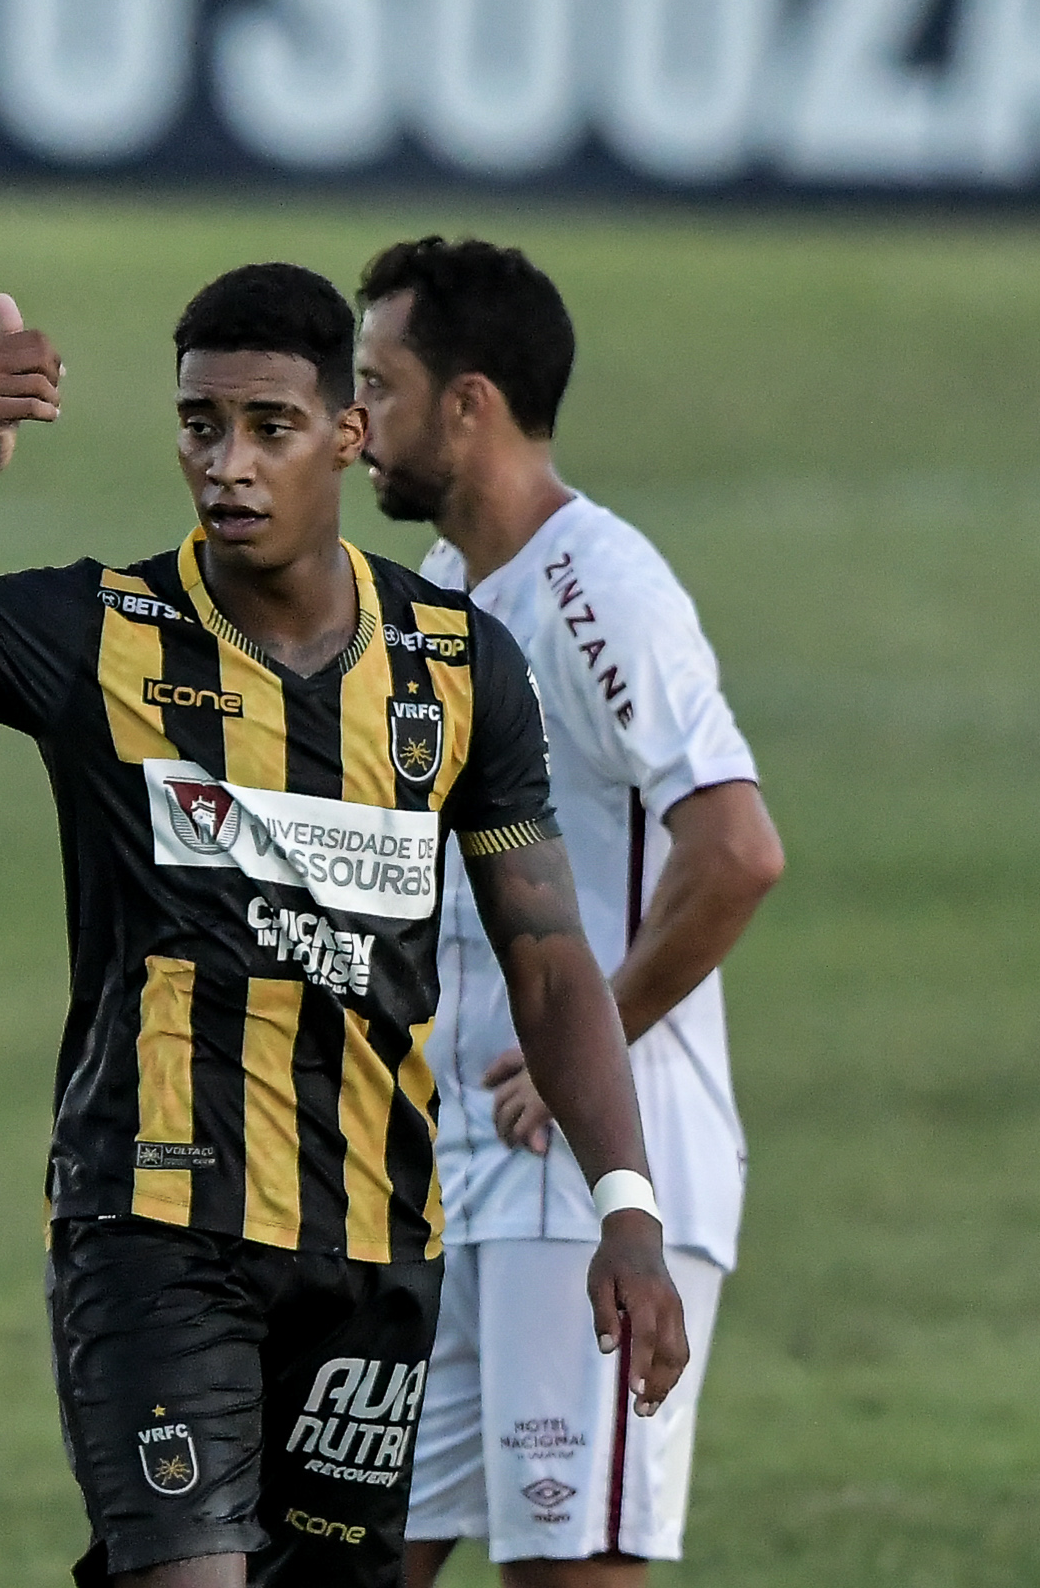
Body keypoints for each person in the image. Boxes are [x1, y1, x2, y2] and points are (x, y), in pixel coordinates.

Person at [0, 265, 688, 1586]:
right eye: (199, 424)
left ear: (346, 433)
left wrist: (626, 1204)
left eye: (269, 428)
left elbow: (550, 957)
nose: (227, 464)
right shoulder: (98, 633)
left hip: (374, 1246)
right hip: (153, 1227)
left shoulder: (456, 668)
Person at [354, 240, 783, 1586]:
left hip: (596, 1180)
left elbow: (736, 850)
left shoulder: (601, 588)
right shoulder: (445, 589)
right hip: (470, 1176)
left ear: (469, 403)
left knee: (569, 1569)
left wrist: (573, 1042)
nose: (356, 421)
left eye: (381, 387)